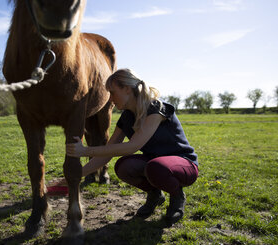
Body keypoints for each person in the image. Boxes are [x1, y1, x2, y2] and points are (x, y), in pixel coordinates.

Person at [64, 68, 199, 224]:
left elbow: (132, 146)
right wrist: (76, 175)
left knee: (155, 166)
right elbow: (107, 153)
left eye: (112, 92)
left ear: (127, 89)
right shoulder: (126, 117)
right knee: (123, 166)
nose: (110, 98)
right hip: (155, 165)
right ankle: (155, 194)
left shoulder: (156, 109)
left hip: (184, 164)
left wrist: (85, 151)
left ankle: (177, 198)